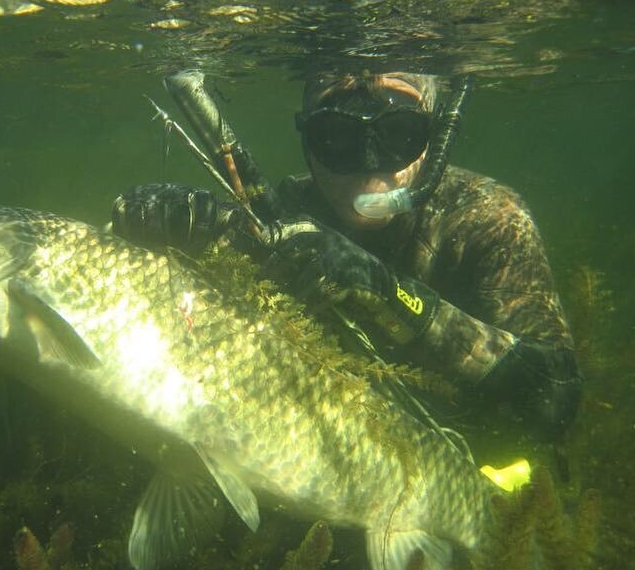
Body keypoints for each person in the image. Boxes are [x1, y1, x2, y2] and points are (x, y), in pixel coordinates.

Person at [111, 69, 582, 442]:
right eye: (336, 139)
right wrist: (199, 228)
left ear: (434, 140)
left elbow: (554, 398)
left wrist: (385, 290)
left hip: (467, 473)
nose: (369, 168)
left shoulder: (486, 216)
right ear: (309, 145)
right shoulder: (293, 205)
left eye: (398, 135)